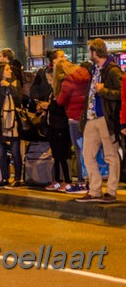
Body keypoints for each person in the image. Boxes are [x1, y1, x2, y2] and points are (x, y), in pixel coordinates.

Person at [76, 38, 122, 203]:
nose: (88, 54)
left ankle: (111, 191)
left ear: (95, 52)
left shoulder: (113, 71)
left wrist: (104, 91)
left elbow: (121, 94)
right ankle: (94, 190)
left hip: (105, 119)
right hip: (91, 118)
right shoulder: (94, 70)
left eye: (89, 51)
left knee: (111, 155)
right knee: (87, 155)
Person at [56, 60, 91, 194]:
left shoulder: (69, 80)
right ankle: (89, 181)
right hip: (87, 117)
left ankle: (81, 182)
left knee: (78, 150)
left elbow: (60, 100)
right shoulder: (89, 76)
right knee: (88, 150)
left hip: (74, 119)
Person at [39, 66, 72, 192]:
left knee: (62, 155)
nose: (48, 82)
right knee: (56, 156)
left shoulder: (61, 91)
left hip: (61, 127)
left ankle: (67, 181)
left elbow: (61, 108)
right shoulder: (52, 92)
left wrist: (48, 106)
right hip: (52, 126)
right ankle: (57, 181)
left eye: (49, 79)